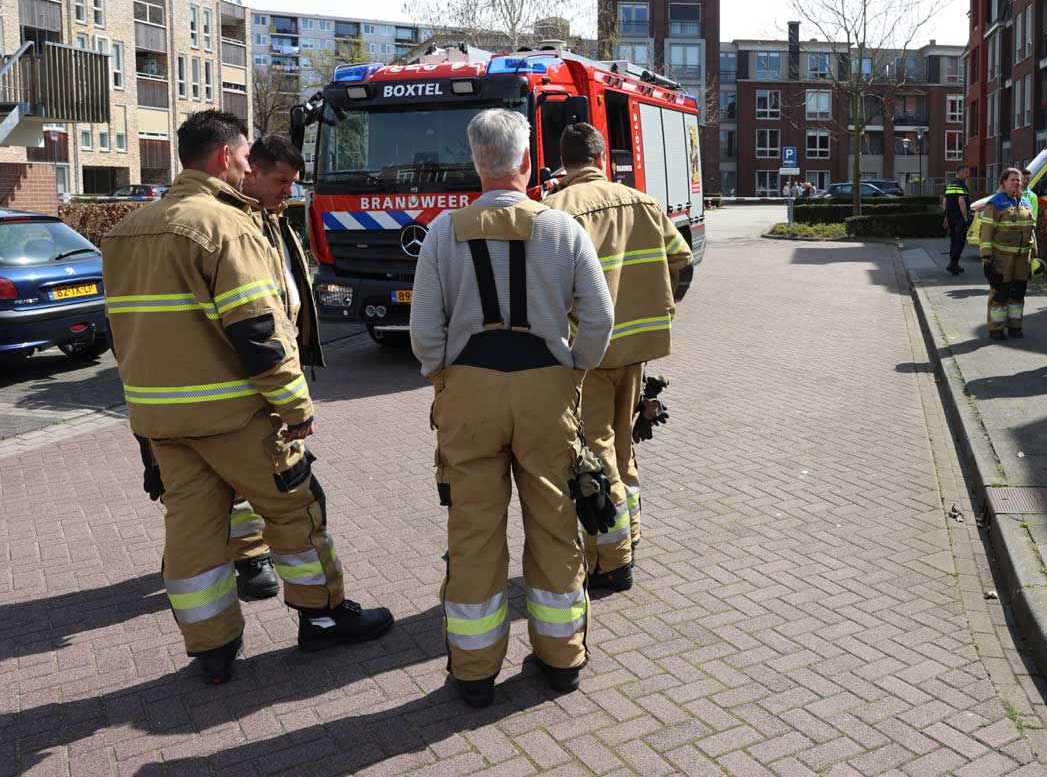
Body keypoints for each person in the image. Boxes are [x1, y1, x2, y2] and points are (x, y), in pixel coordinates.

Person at [103, 110, 392, 686]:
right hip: (235, 414)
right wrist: (296, 406)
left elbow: (122, 333)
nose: (246, 167)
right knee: (295, 508)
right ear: (221, 159)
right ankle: (323, 618)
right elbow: (258, 330)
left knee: (193, 529)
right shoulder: (225, 226)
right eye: (241, 159)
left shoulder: (125, 232)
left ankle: (212, 647)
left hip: (160, 418)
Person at [410, 109, 615, 707]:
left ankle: (474, 671)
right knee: (554, 523)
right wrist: (575, 365)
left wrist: (442, 377)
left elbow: (425, 330)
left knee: (473, 531)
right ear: (526, 163)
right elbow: (599, 318)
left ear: (477, 162)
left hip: (468, 392)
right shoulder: (562, 230)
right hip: (547, 388)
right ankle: (561, 658)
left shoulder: (443, 232)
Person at [545, 124, 693, 591]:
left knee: (595, 451)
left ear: (563, 162)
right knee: (623, 448)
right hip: (638, 350)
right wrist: (658, 309)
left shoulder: (555, 211)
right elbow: (681, 261)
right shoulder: (643, 202)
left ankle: (612, 559)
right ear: (603, 155)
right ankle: (631, 534)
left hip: (587, 354)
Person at [210, 135, 326, 601]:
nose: (288, 192)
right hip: (249, 374)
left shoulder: (271, 219)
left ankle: (252, 551)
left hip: (275, 366)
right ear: (249, 169)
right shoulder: (235, 224)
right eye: (280, 181)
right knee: (255, 480)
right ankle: (252, 557)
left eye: (293, 183)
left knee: (268, 470)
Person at [979, 168, 1036, 340]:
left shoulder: (1025, 203)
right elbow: (986, 231)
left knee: (1018, 293)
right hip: (1002, 258)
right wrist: (986, 257)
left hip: (1022, 258)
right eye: (1013, 180)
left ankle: (1015, 326)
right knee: (1000, 293)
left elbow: (1032, 230)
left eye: (1019, 180)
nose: (1017, 183)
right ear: (1003, 181)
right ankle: (996, 328)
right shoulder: (995, 203)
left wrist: (1035, 255)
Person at [943, 168, 971, 275]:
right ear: (959, 173)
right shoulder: (961, 185)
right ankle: (953, 264)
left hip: (951, 217)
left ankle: (954, 264)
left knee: (953, 241)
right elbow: (961, 202)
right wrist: (965, 219)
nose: (968, 175)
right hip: (959, 218)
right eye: (966, 172)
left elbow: (945, 201)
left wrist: (945, 216)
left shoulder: (950, 185)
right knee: (960, 242)